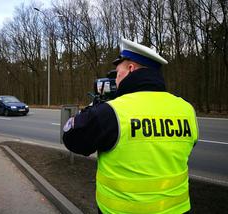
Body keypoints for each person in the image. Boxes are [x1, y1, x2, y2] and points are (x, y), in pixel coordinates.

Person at [62, 38, 199, 214]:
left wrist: (94, 107)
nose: (115, 78)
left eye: (117, 72)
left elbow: (72, 139)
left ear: (130, 68)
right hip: (177, 210)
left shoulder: (112, 112)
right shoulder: (186, 109)